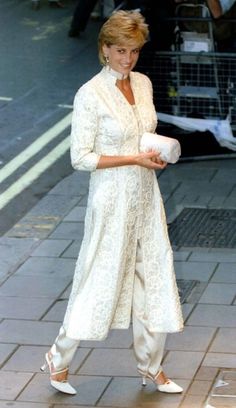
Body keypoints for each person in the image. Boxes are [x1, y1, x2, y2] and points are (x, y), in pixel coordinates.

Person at [41, 10, 184, 396]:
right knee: (98, 280)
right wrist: (133, 159)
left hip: (145, 195)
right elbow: (81, 157)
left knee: (153, 277)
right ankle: (58, 357)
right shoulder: (90, 94)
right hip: (111, 199)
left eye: (134, 51)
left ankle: (152, 368)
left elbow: (142, 134)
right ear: (104, 49)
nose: (128, 59)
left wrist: (152, 156)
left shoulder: (143, 83)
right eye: (120, 50)